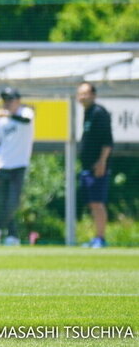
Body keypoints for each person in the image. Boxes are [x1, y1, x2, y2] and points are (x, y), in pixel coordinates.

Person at [0, 87, 34, 246]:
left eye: (10, 100)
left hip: (19, 164)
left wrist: (7, 114)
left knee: (13, 202)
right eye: (5, 100)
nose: (7, 103)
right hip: (1, 165)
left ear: (18, 100)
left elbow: (25, 121)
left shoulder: (25, 112)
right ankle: (12, 235)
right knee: (4, 203)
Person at [77, 82, 113, 248]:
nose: (82, 97)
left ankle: (101, 238)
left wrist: (102, 162)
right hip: (87, 167)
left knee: (98, 203)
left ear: (93, 95)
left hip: (97, 167)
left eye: (85, 93)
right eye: (80, 93)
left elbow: (107, 141)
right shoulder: (88, 113)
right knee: (92, 203)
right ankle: (96, 237)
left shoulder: (99, 113)